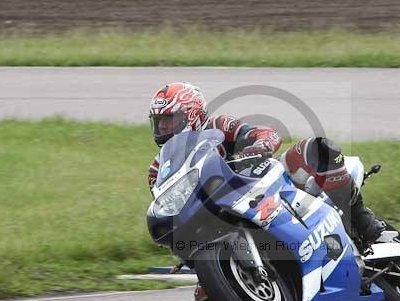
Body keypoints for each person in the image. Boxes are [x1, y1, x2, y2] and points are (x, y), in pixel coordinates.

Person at [148, 82, 386, 244]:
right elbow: (171, 205)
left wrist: (259, 146)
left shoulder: (218, 126)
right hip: (219, 214)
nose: (163, 128)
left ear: (192, 114)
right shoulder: (159, 168)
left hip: (263, 185)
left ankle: (363, 221)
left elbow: (264, 132)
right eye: (159, 123)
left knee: (316, 149)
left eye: (169, 120)